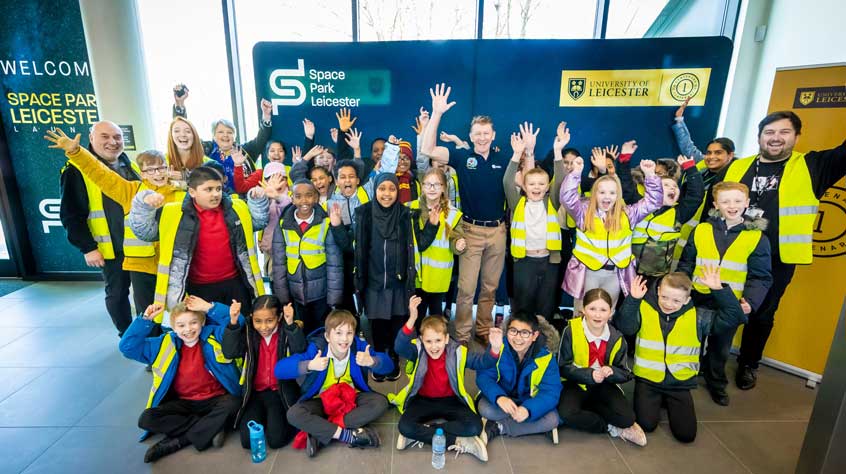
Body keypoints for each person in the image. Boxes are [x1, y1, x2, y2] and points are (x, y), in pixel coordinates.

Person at [719, 111, 846, 389]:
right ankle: (713, 363)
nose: (776, 138)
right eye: (769, 132)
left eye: (784, 132)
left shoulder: (812, 165)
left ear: (796, 136)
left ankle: (748, 364)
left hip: (777, 258)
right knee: (721, 306)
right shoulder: (738, 166)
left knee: (762, 313)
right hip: (734, 250)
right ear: (759, 137)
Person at [46, 128, 184, 325]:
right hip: (141, 264)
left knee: (178, 309)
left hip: (173, 263)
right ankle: (143, 344)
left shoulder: (181, 194)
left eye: (161, 167)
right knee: (147, 312)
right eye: (150, 169)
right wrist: (77, 153)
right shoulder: (131, 191)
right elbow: (101, 174)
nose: (157, 173)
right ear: (142, 173)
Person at [419, 83, 510, 345]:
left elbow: (523, 184)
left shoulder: (504, 159)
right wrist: (436, 114)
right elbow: (427, 150)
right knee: (466, 288)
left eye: (486, 133)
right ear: (470, 135)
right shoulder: (462, 157)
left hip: (497, 231)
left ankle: (482, 330)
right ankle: (460, 336)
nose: (482, 137)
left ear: (493, 135)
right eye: (477, 133)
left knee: (490, 288)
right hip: (470, 230)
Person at [616, 271, 745, 443]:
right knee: (646, 425)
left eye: (676, 300)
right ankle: (657, 401)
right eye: (664, 297)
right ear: (658, 291)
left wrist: (719, 290)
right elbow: (625, 326)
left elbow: (735, 317)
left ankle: (668, 402)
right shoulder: (644, 308)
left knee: (686, 435)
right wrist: (633, 299)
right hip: (648, 381)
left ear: (687, 299)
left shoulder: (698, 316)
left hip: (679, 384)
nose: (669, 304)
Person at [678, 182, 772, 405]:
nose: (732, 206)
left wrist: (750, 300)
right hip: (699, 296)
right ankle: (682, 380)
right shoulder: (701, 230)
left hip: (730, 302)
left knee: (720, 348)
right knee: (690, 341)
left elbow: (761, 276)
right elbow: (686, 263)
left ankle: (716, 383)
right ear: (715, 204)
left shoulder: (757, 238)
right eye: (726, 201)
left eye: (738, 201)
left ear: (747, 204)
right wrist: (681, 289)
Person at [128, 166, 265, 318]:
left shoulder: (237, 208)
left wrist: (258, 201)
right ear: (192, 192)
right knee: (204, 334)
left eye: (218, 188)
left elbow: (259, 223)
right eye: (208, 189)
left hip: (236, 284)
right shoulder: (173, 213)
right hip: (198, 289)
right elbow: (145, 232)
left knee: (239, 326)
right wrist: (144, 204)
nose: (216, 194)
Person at [119, 298, 243, 463]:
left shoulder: (214, 335)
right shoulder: (164, 343)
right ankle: (210, 428)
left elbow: (238, 324)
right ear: (173, 326)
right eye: (181, 325)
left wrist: (208, 307)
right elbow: (127, 347)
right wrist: (145, 321)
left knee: (234, 403)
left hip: (216, 399)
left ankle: (180, 440)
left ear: (202, 322)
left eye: (193, 323)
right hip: (184, 403)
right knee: (147, 419)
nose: (188, 330)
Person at [390, 296, 503, 462]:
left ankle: (423, 433)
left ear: (447, 339)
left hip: (451, 401)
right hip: (423, 401)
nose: (434, 346)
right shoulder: (418, 350)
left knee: (475, 425)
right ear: (421, 340)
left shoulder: (458, 352)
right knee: (404, 426)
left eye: (438, 341)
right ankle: (457, 441)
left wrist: (494, 348)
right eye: (428, 341)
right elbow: (399, 347)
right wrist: (412, 318)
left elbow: (483, 362)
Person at [353, 173, 440, 381]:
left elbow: (421, 243)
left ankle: (392, 354)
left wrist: (432, 225)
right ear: (375, 191)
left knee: (396, 322)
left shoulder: (406, 214)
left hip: (399, 283)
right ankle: (380, 355)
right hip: (374, 282)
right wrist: (338, 227)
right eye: (382, 189)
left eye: (391, 189)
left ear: (398, 192)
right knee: (377, 324)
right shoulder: (364, 213)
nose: (386, 194)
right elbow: (353, 245)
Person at [59, 121, 140, 336]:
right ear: (91, 137)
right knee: (117, 293)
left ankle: (147, 334)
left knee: (143, 294)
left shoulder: (131, 166)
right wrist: (87, 247)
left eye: (117, 137)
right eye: (105, 136)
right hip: (110, 248)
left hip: (138, 248)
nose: (112, 142)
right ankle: (128, 334)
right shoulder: (75, 171)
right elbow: (70, 214)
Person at [277, 309, 392, 457]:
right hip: (321, 401)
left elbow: (389, 366)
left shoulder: (359, 347)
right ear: (327, 336)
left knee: (380, 403)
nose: (344, 339)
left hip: (350, 398)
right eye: (338, 333)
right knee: (293, 414)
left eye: (349, 333)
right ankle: (348, 435)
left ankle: (320, 432)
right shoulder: (316, 349)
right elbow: (279, 369)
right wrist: (309, 365)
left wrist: (373, 361)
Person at [560, 154, 662, 311]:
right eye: (602, 192)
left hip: (614, 274)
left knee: (608, 314)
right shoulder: (583, 212)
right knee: (583, 313)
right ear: (595, 194)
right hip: (588, 273)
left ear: (618, 195)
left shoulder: (629, 214)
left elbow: (654, 201)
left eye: (612, 193)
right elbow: (567, 198)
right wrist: (575, 174)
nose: (607, 196)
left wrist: (650, 175)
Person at [249, 179, 343, 334]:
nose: (304, 200)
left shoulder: (325, 223)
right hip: (295, 295)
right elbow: (279, 264)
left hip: (321, 294)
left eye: (309, 195)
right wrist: (283, 298)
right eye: (298, 196)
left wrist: (333, 301)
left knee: (321, 331)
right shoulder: (283, 224)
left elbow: (334, 264)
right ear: (292, 198)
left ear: (316, 198)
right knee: (299, 332)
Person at [557, 288, 646, 446]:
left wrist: (612, 371)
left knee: (627, 418)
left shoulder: (617, 337)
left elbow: (625, 373)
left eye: (603, 310)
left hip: (604, 385)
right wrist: (589, 374)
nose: (597, 315)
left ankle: (592, 407)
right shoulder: (570, 330)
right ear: (583, 309)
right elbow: (563, 366)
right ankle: (610, 427)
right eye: (592, 309)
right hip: (575, 383)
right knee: (566, 413)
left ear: (610, 312)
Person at [222, 295, 305, 450]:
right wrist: (233, 322)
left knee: (276, 441)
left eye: (269, 320)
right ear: (252, 318)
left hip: (280, 393)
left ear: (279, 317)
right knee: (247, 442)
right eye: (258, 321)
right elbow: (229, 352)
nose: (264, 327)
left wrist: (290, 324)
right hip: (255, 394)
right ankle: (269, 420)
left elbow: (300, 349)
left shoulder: (286, 331)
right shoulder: (248, 332)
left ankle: (275, 421)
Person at [504, 123, 565, 320]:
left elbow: (561, 179)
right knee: (523, 305)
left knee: (546, 305)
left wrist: (557, 152)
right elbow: (506, 182)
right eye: (531, 184)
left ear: (548, 187)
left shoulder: (552, 202)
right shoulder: (518, 203)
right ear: (524, 186)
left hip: (549, 261)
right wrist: (516, 154)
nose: (536, 187)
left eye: (541, 184)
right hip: (525, 262)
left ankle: (545, 343)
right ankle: (522, 340)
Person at [476, 312, 561, 443]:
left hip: (529, 400)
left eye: (525, 333)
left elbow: (551, 392)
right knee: (485, 408)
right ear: (507, 331)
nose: (518, 338)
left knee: (553, 419)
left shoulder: (546, 356)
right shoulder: (499, 346)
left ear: (534, 336)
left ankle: (499, 427)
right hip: (504, 400)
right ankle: (532, 426)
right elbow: (484, 376)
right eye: (513, 331)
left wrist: (528, 409)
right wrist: (499, 397)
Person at [671, 97, 737, 260]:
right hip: (686, 231)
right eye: (709, 152)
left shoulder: (737, 175)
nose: (711, 157)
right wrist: (679, 119)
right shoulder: (701, 166)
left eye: (718, 153)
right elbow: (688, 146)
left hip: (714, 235)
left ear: (730, 155)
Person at [173, 86, 273, 192]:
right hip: (211, 198)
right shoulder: (206, 149)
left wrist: (266, 116)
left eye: (229, 132)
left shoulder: (243, 151)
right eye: (220, 132)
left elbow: (261, 139)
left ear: (235, 136)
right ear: (214, 136)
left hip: (243, 200)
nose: (225, 135)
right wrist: (180, 106)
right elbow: (186, 133)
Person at [626, 152, 705, 278]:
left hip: (656, 276)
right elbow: (626, 186)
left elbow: (696, 196)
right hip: (627, 270)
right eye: (666, 185)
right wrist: (625, 160)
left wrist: (690, 168)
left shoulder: (679, 213)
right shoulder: (639, 205)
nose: (672, 188)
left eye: (675, 186)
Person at [409, 167, 466, 321]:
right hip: (416, 273)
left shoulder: (452, 214)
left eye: (437, 184)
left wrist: (458, 244)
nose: (432, 188)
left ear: (444, 188)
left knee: (436, 315)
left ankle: (437, 343)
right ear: (422, 186)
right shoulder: (409, 208)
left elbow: (455, 238)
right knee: (417, 315)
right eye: (428, 184)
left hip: (437, 275)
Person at [165, 116, 209, 187]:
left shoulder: (208, 163)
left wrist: (184, 177)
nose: (182, 135)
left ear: (194, 136)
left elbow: (211, 186)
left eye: (188, 131)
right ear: (171, 135)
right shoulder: (161, 161)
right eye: (177, 131)